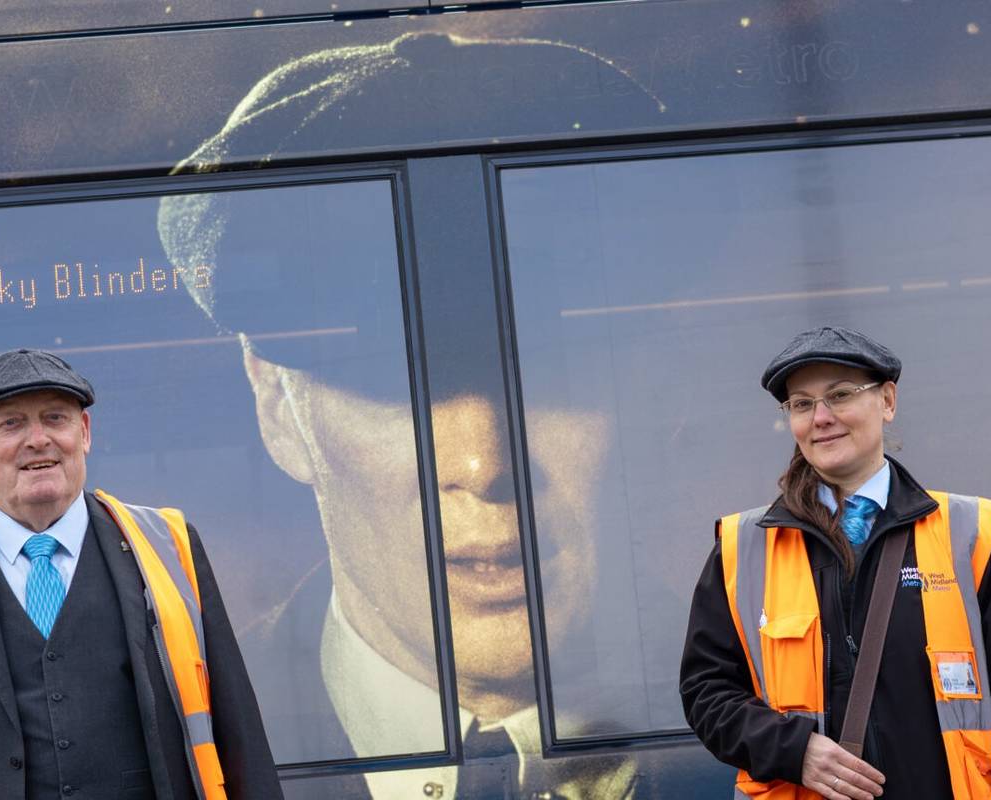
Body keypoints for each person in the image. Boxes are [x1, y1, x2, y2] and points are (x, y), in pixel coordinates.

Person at [157, 30, 660, 799]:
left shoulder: (779, 703)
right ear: (278, 409)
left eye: (542, 377)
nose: (482, 464)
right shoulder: (170, 748)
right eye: (393, 387)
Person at [0, 348, 283, 800]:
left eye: (55, 418)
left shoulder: (170, 547)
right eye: (11, 423)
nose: (38, 439)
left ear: (83, 432)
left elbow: (240, 735)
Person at [679, 326, 991, 799]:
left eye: (840, 395)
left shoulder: (970, 531)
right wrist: (793, 749)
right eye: (801, 404)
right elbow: (706, 692)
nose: (820, 417)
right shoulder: (742, 547)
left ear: (887, 401)